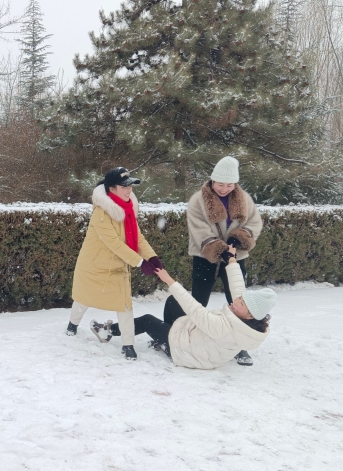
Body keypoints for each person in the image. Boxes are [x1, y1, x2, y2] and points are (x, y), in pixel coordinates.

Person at [67, 167, 164, 360]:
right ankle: (72, 324)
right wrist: (139, 262)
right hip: (95, 266)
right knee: (84, 299)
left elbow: (138, 238)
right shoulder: (101, 212)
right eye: (124, 187)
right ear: (112, 189)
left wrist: (151, 257)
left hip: (118, 266)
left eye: (130, 186)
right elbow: (113, 243)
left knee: (124, 304)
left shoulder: (128, 209)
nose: (129, 190)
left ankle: (128, 346)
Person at [133, 244, 276, 370]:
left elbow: (194, 308)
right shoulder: (247, 318)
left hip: (187, 353)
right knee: (173, 302)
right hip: (200, 345)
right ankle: (163, 338)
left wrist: (168, 280)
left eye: (242, 303)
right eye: (241, 298)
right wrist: (231, 258)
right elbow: (237, 285)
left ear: (250, 315)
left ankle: (118, 331)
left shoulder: (224, 328)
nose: (237, 301)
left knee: (147, 321)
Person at [183, 155, 263, 366]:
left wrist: (239, 238)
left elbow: (255, 222)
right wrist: (218, 248)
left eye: (229, 185)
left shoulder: (244, 199)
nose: (224, 189)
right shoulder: (198, 200)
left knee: (238, 300)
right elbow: (198, 228)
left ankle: (240, 344)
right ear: (212, 180)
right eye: (220, 184)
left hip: (236, 257)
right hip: (205, 257)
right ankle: (190, 336)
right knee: (199, 300)